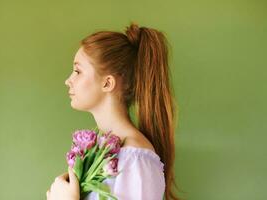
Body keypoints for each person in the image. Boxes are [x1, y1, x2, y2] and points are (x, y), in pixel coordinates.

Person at [47, 22, 180, 200]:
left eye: (77, 71)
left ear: (107, 83)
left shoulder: (136, 159)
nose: (68, 80)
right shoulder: (102, 152)